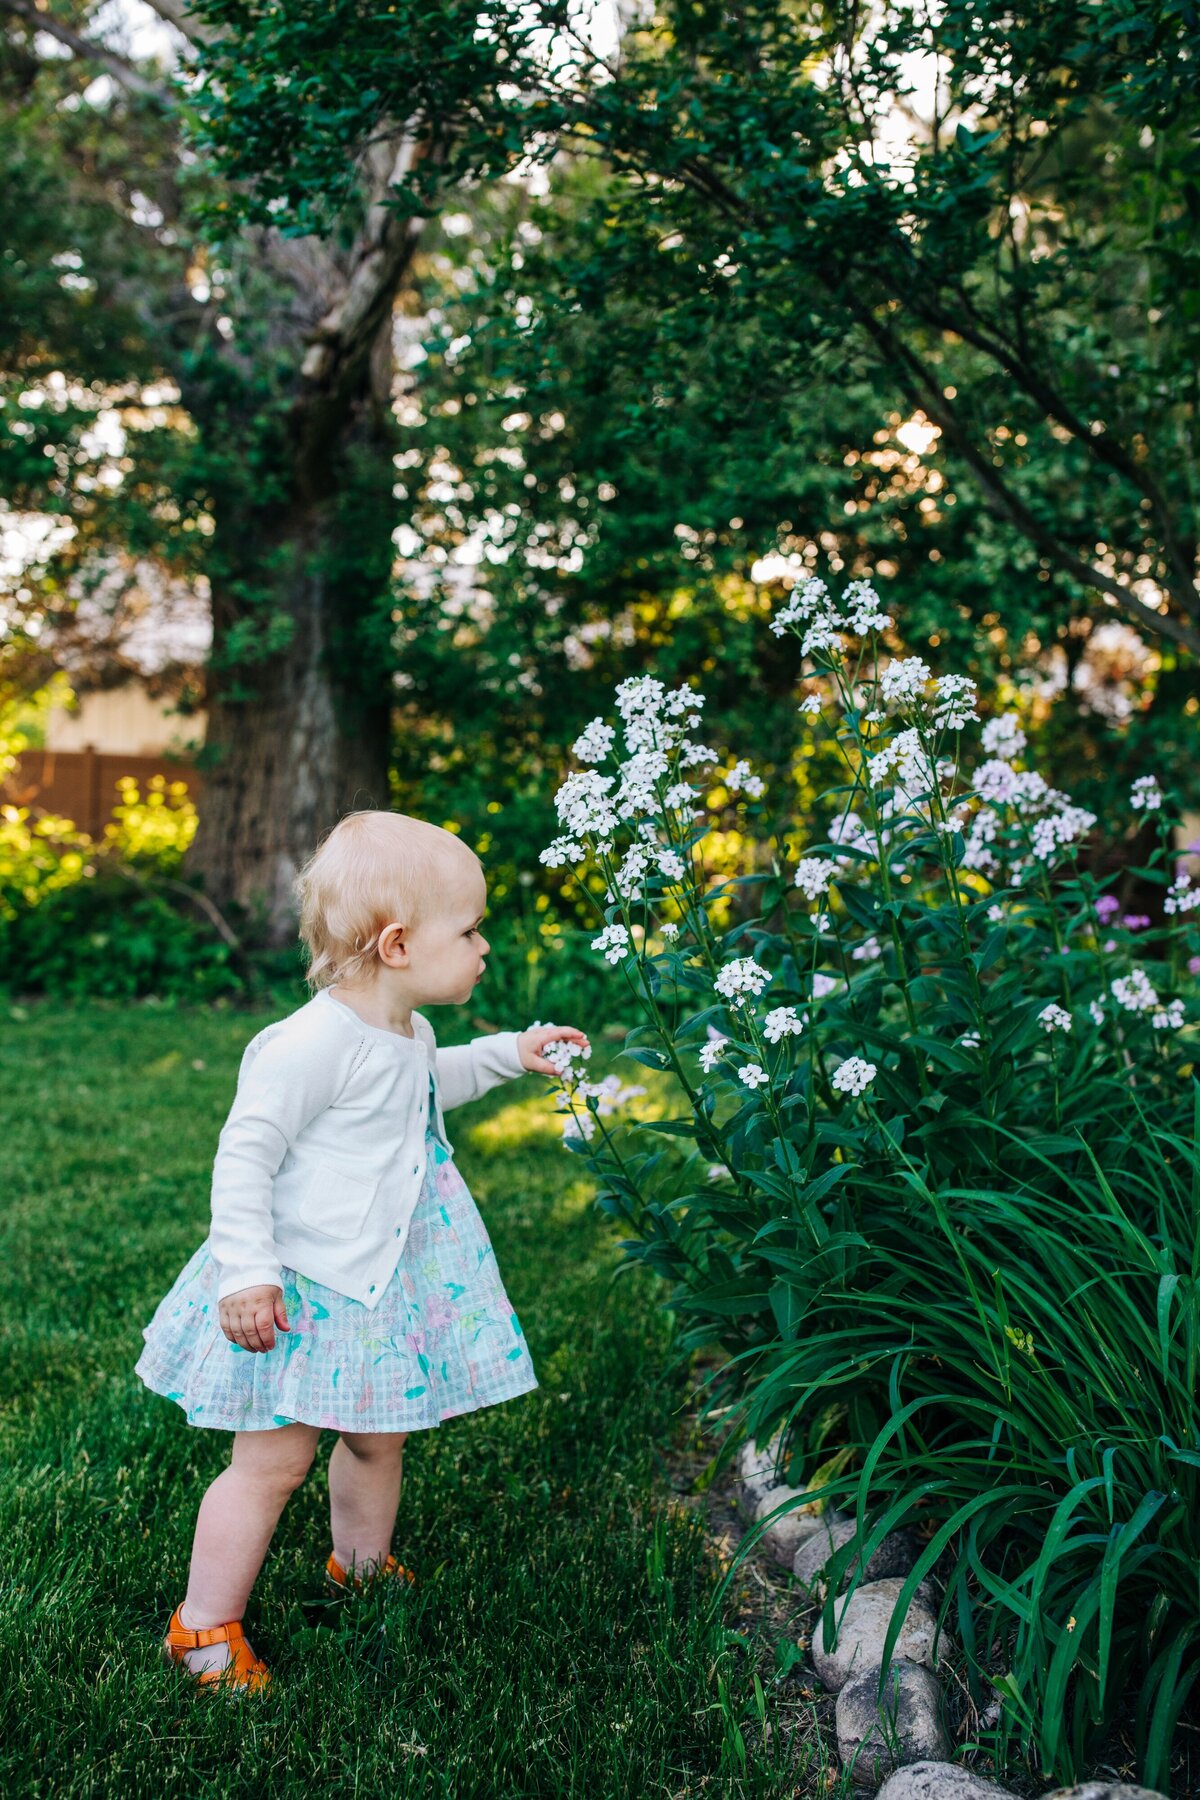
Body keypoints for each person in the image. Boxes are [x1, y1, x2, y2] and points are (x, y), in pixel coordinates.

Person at [136, 809, 590, 1693]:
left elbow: (427, 1082)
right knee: (273, 1463)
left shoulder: (405, 1031)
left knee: (381, 1438)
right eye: (469, 931)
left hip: (376, 1290)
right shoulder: (311, 1044)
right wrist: (247, 1272)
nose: (484, 947)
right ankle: (202, 1627)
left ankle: (360, 1566)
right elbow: (246, 1154)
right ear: (397, 945)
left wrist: (508, 1054)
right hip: (302, 1291)